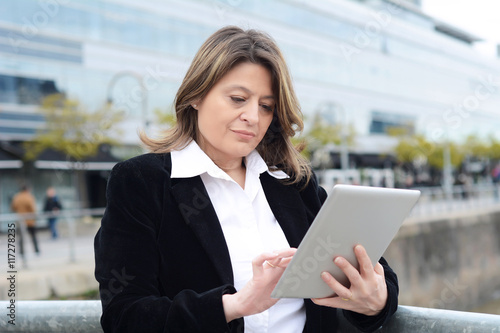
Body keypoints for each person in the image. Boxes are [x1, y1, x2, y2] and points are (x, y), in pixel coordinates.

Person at [94, 26, 398, 333]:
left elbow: (375, 273)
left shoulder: (294, 184)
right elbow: (125, 316)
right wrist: (235, 305)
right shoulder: (140, 183)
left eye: (266, 106)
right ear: (196, 95)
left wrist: (376, 301)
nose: (253, 117)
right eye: (238, 98)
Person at [11, 184, 40, 254]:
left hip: (20, 220)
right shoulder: (29, 197)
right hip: (29, 220)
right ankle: (36, 250)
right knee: (33, 236)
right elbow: (32, 208)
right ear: (27, 190)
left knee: (21, 237)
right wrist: (35, 216)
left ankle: (21, 251)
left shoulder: (16, 197)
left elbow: (13, 207)